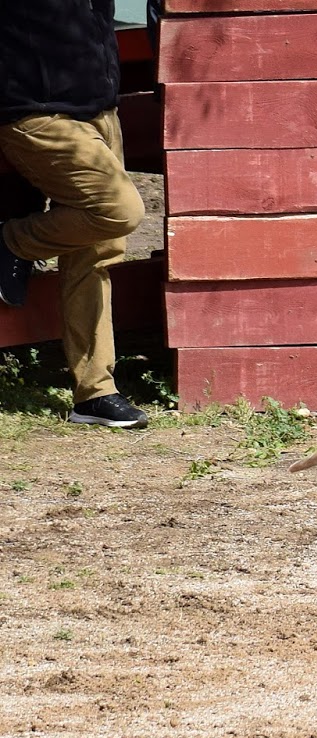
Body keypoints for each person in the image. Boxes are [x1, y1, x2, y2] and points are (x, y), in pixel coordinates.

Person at [0, 0, 150, 428]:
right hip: (36, 112)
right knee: (117, 210)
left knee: (98, 249)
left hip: (99, 108)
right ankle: (11, 241)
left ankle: (95, 393)